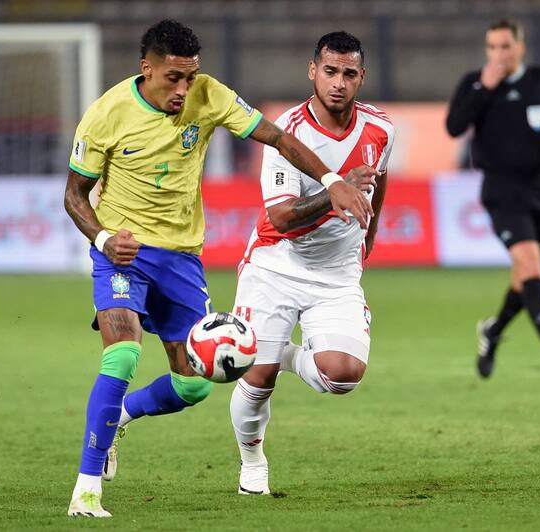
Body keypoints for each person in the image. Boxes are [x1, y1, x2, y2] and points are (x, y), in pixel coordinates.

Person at [63, 19, 376, 517]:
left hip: (182, 259)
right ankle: (86, 488)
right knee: (121, 356)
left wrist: (333, 179)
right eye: (174, 78)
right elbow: (73, 195)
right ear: (147, 69)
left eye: (191, 77)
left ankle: (118, 416)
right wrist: (102, 237)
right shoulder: (105, 115)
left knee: (195, 384)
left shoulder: (210, 96)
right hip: (121, 253)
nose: (184, 89)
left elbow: (278, 138)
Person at [228, 31, 394, 495]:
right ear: (312, 71)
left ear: (361, 77)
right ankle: (252, 459)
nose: (338, 82)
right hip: (276, 267)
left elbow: (379, 180)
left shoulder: (381, 129)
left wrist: (371, 232)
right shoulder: (288, 132)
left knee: (341, 376)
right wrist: (333, 193)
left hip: (337, 273)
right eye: (329, 71)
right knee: (256, 381)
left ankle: (276, 351)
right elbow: (280, 217)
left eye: (348, 73)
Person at [445, 19, 540, 387]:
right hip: (501, 192)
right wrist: (484, 89)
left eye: (505, 46)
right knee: (530, 267)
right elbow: (454, 126)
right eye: (492, 47)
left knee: (526, 278)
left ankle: (492, 331)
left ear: (520, 47)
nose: (498, 54)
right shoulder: (474, 83)